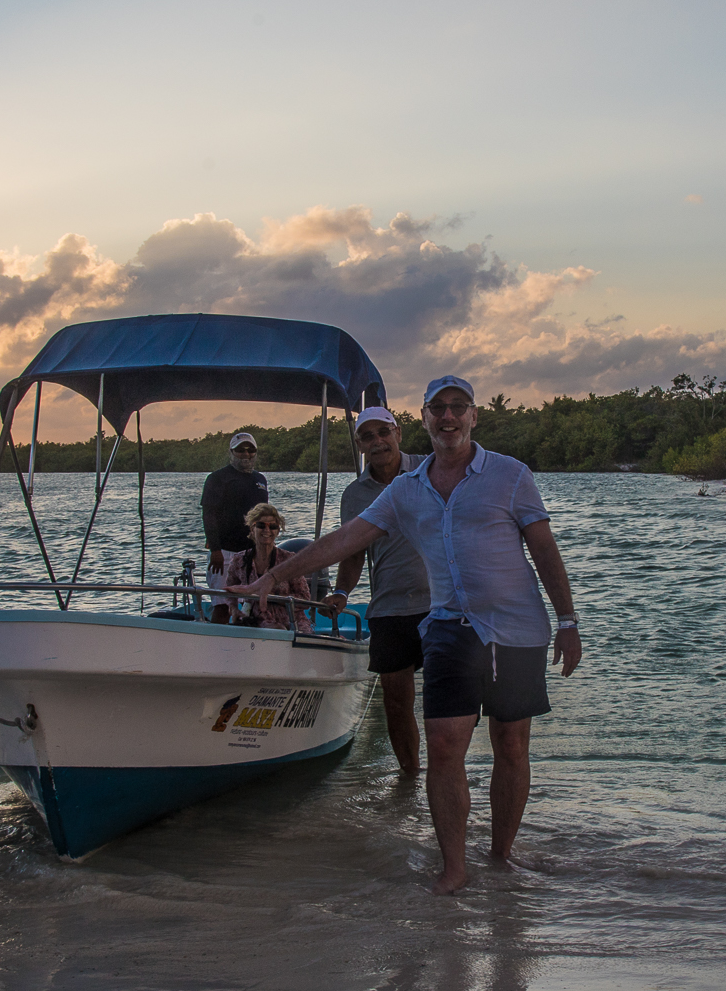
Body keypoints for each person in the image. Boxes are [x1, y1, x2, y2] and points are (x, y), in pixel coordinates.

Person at [243, 375, 580, 894]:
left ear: (473, 416)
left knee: (511, 745)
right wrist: (273, 576)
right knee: (445, 745)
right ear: (424, 419)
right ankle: (454, 868)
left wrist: (568, 620)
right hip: (447, 627)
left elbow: (544, 549)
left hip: (516, 629)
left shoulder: (510, 475)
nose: (448, 417)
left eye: (458, 408)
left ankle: (502, 855)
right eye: (438, 409)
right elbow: (343, 542)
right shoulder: (406, 490)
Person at [325, 406, 428, 775]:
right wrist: (340, 591)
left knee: (452, 702)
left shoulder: (431, 469)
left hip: (445, 606)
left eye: (383, 432)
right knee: (397, 704)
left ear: (398, 432)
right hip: (390, 609)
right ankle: (411, 779)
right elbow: (352, 554)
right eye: (368, 436)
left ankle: (449, 777)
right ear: (359, 445)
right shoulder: (355, 495)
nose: (378, 441)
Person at [215, 502, 316, 632]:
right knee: (275, 631)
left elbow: (304, 599)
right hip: (257, 620)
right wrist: (233, 609)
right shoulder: (239, 560)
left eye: (273, 526)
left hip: (293, 619)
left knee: (305, 637)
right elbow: (229, 591)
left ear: (278, 531)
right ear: (252, 529)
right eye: (261, 525)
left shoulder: (288, 560)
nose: (267, 530)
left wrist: (271, 594)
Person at [201, 431, 269, 575]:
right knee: (222, 597)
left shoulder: (261, 479)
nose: (246, 454)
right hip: (225, 552)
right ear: (231, 452)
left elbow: (265, 516)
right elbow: (209, 515)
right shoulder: (217, 478)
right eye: (240, 450)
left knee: (250, 597)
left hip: (253, 552)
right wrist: (215, 550)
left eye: (251, 450)